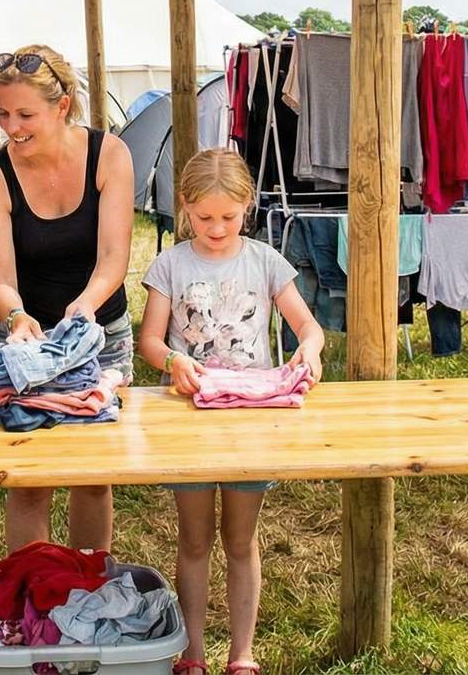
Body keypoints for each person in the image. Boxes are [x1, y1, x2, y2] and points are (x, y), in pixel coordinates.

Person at [136, 149, 324, 675]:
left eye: (228, 217)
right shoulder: (169, 265)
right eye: (203, 218)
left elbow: (309, 328)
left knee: (240, 540)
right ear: (184, 209)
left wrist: (309, 351)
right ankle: (192, 652)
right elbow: (149, 340)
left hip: (250, 421)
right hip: (191, 419)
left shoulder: (265, 262)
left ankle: (242, 654)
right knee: (193, 539)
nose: (216, 228)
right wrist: (173, 359)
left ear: (248, 207)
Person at [0, 44, 135, 553]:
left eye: (25, 114)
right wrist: (17, 316)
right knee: (28, 477)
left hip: (102, 340)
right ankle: (32, 591)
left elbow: (114, 257)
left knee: (93, 477)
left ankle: (89, 582)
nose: (10, 126)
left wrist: (83, 308)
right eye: (3, 113)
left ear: (62, 106)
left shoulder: (109, 154)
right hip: (23, 348)